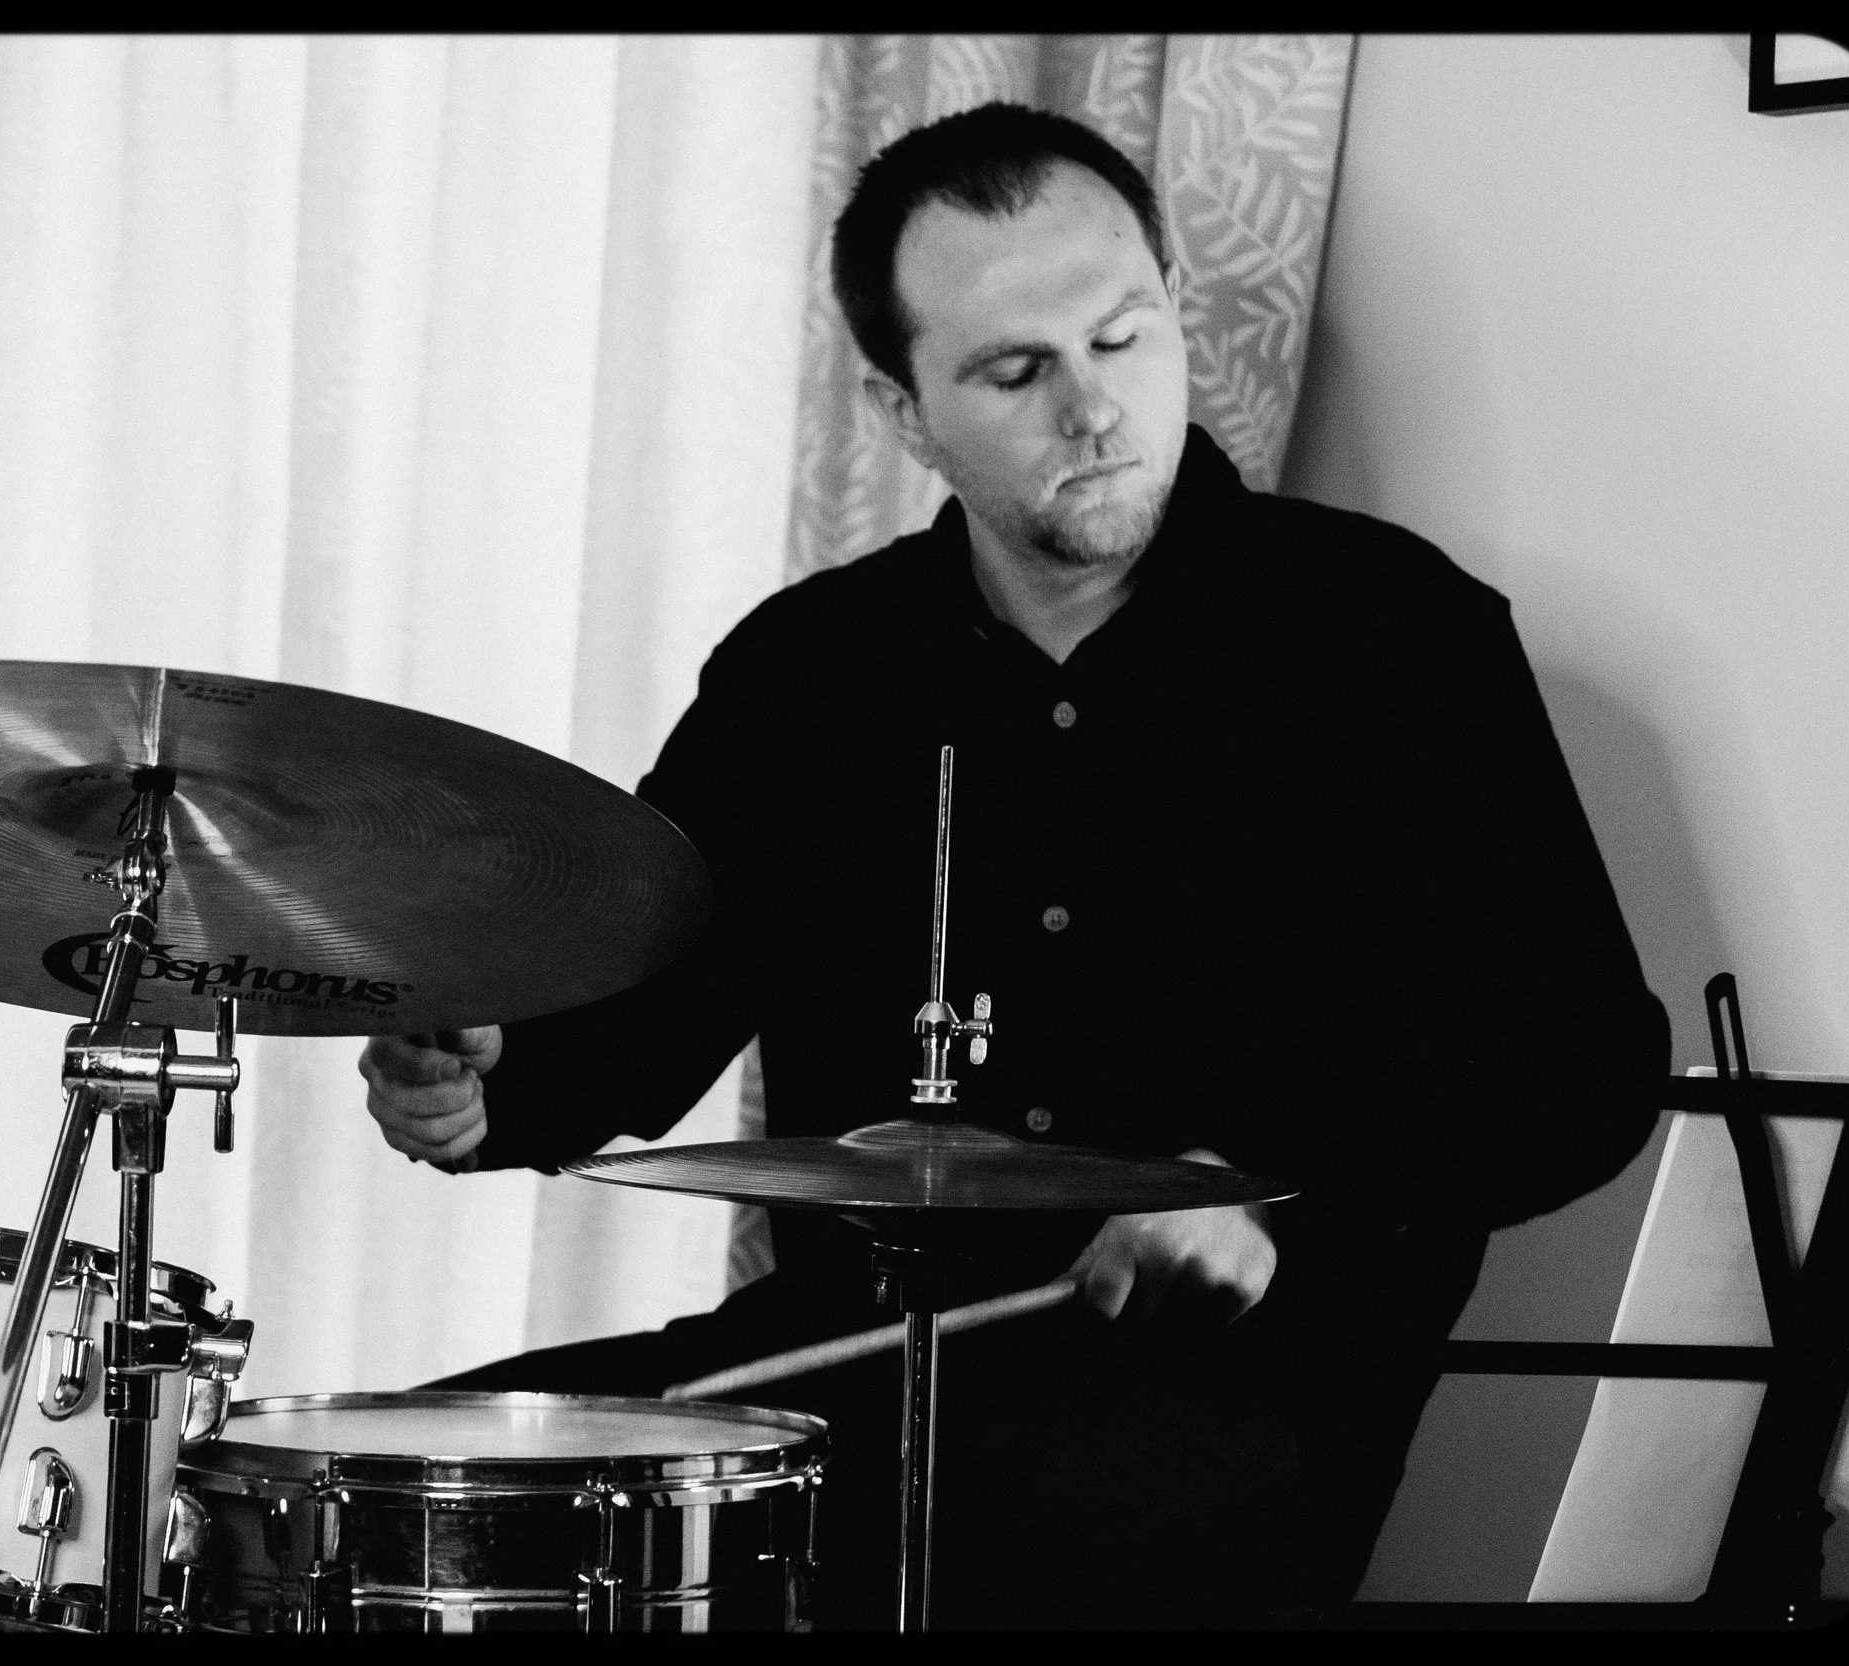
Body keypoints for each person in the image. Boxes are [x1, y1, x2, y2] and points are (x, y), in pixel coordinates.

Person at [357, 102, 1669, 1629]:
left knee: (984, 1540)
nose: (1095, 407)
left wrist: (1272, 1197)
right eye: (1014, 371)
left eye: (1122, 338)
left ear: (1175, 302)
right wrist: (491, 1080)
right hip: (844, 1361)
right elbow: (652, 1002)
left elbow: (1579, 1064)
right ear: (907, 411)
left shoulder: (1395, 640)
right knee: (412, 1481)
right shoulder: (812, 671)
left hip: (1232, 1406)